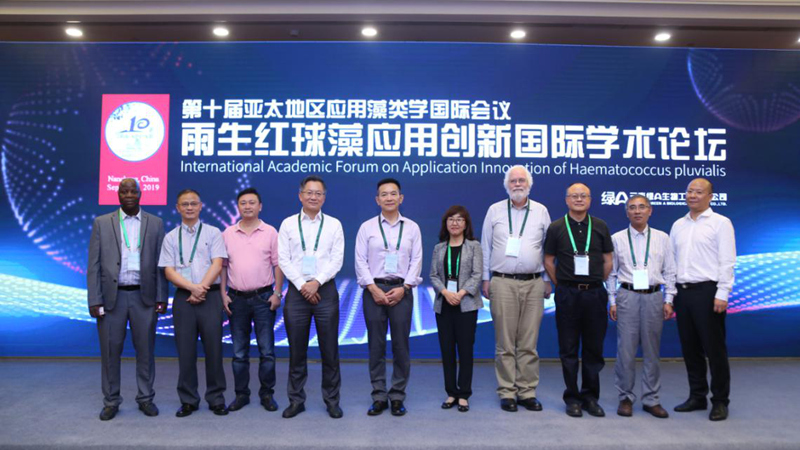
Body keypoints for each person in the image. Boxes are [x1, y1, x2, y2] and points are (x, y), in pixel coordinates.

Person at [87, 178, 168, 421]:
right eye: (125, 191)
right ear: (118, 194)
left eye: (134, 191)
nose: (129, 195)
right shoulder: (102, 222)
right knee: (110, 352)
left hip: (145, 298)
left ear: (141, 194)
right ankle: (111, 401)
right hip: (112, 299)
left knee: (146, 351)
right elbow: (93, 265)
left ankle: (146, 398)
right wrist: (94, 299)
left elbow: (161, 264)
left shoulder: (155, 223)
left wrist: (161, 296)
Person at [480, 165, 551, 413]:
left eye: (522, 180)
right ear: (507, 185)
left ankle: (527, 391)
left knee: (529, 342)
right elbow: (486, 246)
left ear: (529, 184)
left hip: (534, 282)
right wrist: (486, 279)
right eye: (513, 181)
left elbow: (547, 248)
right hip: (502, 282)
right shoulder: (495, 210)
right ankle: (507, 392)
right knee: (505, 342)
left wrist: (547, 279)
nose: (518, 184)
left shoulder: (541, 211)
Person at [544, 182, 613, 418]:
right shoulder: (556, 227)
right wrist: (563, 284)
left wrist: (595, 281)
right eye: (574, 196)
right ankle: (572, 398)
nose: (579, 199)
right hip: (568, 294)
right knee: (569, 348)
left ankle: (590, 397)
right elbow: (549, 260)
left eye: (584, 195)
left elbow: (608, 260)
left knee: (594, 348)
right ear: (567, 200)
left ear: (590, 200)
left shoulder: (600, 226)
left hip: (594, 293)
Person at [278, 175, 345, 419]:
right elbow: (283, 259)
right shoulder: (288, 224)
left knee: (330, 350)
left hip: (325, 290)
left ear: (324, 198)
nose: (313, 197)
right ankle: (296, 400)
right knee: (297, 351)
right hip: (297, 293)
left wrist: (316, 282)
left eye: (318, 193)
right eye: (309, 192)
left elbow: (337, 259)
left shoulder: (334, 224)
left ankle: (332, 401)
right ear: (300, 196)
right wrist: (302, 285)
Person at [355, 178, 423, 417]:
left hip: (402, 291)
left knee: (401, 345)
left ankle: (397, 396)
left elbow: (417, 260)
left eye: (393, 194)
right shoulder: (367, 228)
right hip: (373, 290)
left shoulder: (412, 227)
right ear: (377, 200)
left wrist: (405, 287)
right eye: (384, 194)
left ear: (400, 198)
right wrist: (373, 288)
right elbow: (360, 261)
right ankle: (379, 396)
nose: (389, 198)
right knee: (376, 346)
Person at [669, 178, 735, 421]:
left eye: (698, 192)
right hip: (683, 293)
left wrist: (722, 293)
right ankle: (697, 396)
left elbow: (727, 260)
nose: (692, 196)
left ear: (710, 196)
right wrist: (671, 294)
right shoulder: (678, 225)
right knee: (690, 348)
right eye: (689, 191)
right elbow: (672, 262)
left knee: (714, 349)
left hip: (708, 293)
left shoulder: (720, 223)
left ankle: (720, 401)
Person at [158, 189, 228, 417]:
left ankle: (216, 398)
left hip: (210, 296)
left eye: (193, 203)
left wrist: (201, 288)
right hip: (183, 298)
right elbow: (169, 271)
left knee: (214, 350)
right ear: (177, 208)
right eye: (185, 204)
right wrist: (192, 288)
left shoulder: (213, 232)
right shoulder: (170, 237)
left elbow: (217, 264)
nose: (189, 207)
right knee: (185, 351)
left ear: (200, 206)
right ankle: (188, 400)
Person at [606, 195, 676, 418]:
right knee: (625, 350)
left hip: (654, 296)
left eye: (642, 207)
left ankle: (651, 399)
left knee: (652, 350)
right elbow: (611, 273)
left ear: (650, 210)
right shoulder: (617, 238)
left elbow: (670, 271)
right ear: (627, 212)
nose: (637, 211)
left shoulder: (662, 238)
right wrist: (612, 301)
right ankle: (625, 397)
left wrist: (669, 299)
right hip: (627, 295)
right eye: (632, 208)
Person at [221, 187, 284, 413]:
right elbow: (223, 267)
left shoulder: (270, 232)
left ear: (260, 206)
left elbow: (278, 264)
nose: (247, 206)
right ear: (238, 207)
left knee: (267, 351)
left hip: (264, 297)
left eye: (252, 202)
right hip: (236, 298)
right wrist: (222, 293)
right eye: (243, 203)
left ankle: (267, 394)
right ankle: (241, 394)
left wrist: (277, 293)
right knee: (239, 352)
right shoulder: (228, 233)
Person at [430, 205, 483, 413]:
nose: (455, 223)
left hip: (466, 305)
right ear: (446, 223)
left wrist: (460, 294)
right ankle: (451, 392)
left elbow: (477, 274)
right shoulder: (439, 248)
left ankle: (464, 394)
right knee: (447, 350)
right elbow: (433, 275)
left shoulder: (474, 246)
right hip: (444, 305)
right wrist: (445, 292)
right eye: (451, 219)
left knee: (465, 349)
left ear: (466, 224)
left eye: (459, 219)